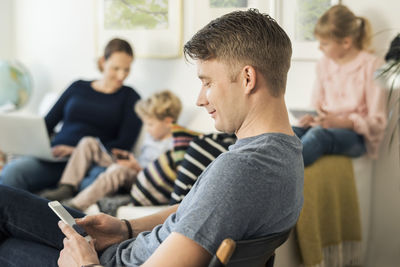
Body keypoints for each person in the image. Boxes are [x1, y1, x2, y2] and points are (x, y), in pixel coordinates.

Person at [0, 9, 303, 267]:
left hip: (109, 261)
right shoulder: (286, 152)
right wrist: (126, 227)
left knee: (6, 243)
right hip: (123, 245)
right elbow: (201, 209)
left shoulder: (240, 170)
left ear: (248, 79)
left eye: (207, 82)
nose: (199, 99)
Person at [0, 38, 142, 193]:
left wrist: (77, 151)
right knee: (12, 173)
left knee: (90, 186)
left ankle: (61, 199)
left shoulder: (131, 98)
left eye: (126, 69)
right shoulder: (77, 87)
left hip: (92, 164)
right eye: (116, 68)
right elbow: (47, 124)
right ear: (103, 61)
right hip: (56, 159)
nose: (121, 75)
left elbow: (123, 144)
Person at [40, 90, 182, 211]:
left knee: (117, 170)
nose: (147, 129)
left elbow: (160, 177)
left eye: (150, 124)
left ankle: (74, 205)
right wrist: (130, 159)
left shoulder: (174, 144)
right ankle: (67, 186)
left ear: (168, 121)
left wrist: (137, 168)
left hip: (145, 179)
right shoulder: (154, 137)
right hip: (135, 169)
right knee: (88, 142)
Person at [292, 5, 387, 166]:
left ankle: (278, 176)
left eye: (325, 43)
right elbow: (316, 104)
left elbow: (377, 123)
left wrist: (344, 123)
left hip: (355, 137)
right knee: (287, 132)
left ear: (346, 42)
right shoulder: (324, 65)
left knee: (317, 136)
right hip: (323, 126)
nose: (319, 48)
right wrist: (311, 116)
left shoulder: (372, 66)